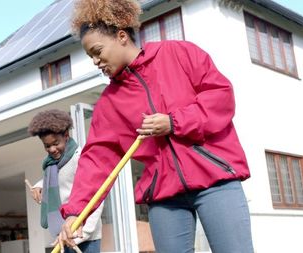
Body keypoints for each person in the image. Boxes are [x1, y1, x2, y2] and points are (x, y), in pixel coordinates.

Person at [57, 0, 254, 252]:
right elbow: (97, 160)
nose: (96, 61)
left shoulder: (179, 53)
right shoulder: (109, 104)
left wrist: (174, 122)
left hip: (216, 181)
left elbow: (220, 97)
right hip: (164, 196)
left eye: (97, 51)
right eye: (90, 57)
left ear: (121, 36)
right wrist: (76, 213)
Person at [28, 109, 103, 253]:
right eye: (47, 146)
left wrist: (82, 233)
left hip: (85, 236)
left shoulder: (81, 159)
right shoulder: (52, 164)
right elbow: (57, 179)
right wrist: (39, 186)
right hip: (63, 233)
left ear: (66, 136)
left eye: (56, 143)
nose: (52, 149)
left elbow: (96, 198)